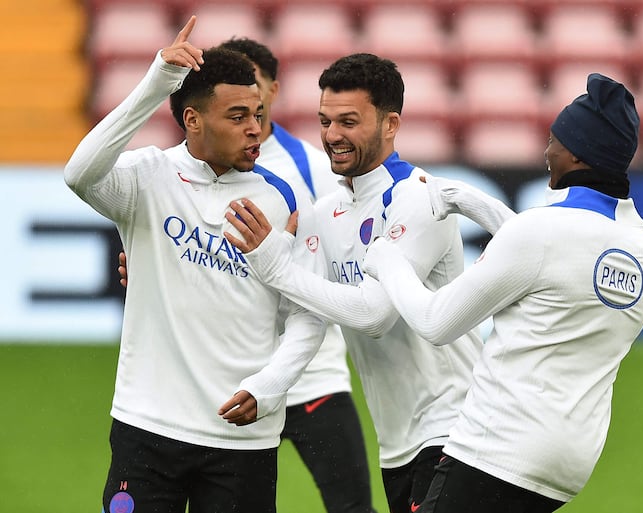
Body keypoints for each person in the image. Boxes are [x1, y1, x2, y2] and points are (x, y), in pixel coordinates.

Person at [362, 73, 643, 512]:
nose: (546, 152)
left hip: (498, 448)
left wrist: (385, 259)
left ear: (577, 154)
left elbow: (436, 322)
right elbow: (554, 263)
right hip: (568, 464)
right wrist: (468, 199)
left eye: (554, 141)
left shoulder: (541, 232)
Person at [64, 17, 327, 513]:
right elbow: (79, 173)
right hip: (147, 425)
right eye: (237, 116)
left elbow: (309, 314)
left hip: (241, 438)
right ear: (192, 120)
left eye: (258, 113)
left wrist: (269, 387)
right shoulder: (146, 177)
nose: (255, 128)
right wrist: (156, 82)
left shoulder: (285, 199)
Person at [117, 36, 377, 513]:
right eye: (236, 106)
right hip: (226, 384)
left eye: (254, 93)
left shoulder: (310, 168)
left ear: (272, 90)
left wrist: (284, 265)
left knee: (352, 506)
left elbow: (340, 261)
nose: (249, 118)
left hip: (312, 376)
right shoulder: (191, 163)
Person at [222, 53, 482, 513]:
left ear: (390, 124)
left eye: (348, 122)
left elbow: (374, 315)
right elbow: (308, 314)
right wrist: (269, 384)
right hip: (399, 444)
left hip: (455, 431)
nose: (332, 136)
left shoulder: (419, 199)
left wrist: (277, 267)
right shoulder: (325, 213)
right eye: (325, 121)